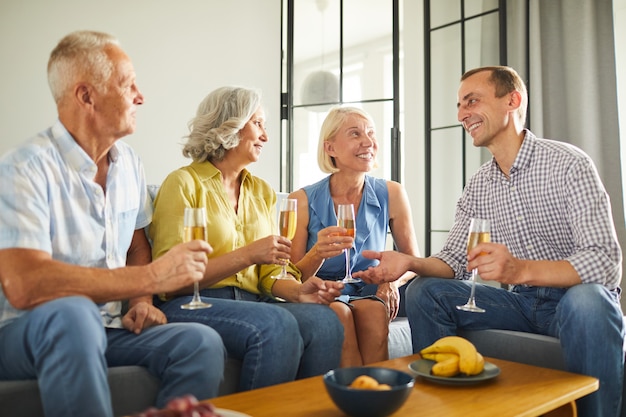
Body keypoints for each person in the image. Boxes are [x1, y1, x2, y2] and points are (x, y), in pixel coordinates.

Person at [353, 66, 624, 417]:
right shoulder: (479, 184)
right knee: (425, 290)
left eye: (472, 101)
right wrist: (410, 263)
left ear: (512, 100)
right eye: (459, 105)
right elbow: (453, 260)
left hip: (574, 302)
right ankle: (445, 409)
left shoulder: (568, 164)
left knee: (588, 301)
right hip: (521, 304)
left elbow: (605, 262)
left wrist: (520, 269)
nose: (462, 114)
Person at [0, 31, 227, 417]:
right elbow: (25, 285)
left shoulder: (129, 165)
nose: (141, 96)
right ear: (86, 96)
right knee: (74, 314)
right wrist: (151, 280)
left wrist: (140, 301)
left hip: (108, 328)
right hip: (28, 332)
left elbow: (138, 247)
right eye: (128, 85)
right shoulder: (23, 168)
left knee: (200, 342)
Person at [149, 86, 344, 390]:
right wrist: (248, 254)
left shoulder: (261, 191)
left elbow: (268, 274)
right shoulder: (183, 183)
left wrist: (298, 292)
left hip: (257, 302)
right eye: (258, 124)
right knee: (275, 325)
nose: (265, 136)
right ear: (230, 125)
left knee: (325, 322)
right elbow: (172, 279)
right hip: (193, 302)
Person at [289, 106, 419, 367]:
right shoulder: (301, 200)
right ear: (330, 148)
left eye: (371, 133)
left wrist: (391, 282)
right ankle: (352, 396)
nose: (368, 142)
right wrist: (317, 254)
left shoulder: (392, 193)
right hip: (324, 291)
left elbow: (413, 262)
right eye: (355, 134)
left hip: (371, 289)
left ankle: (378, 394)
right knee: (340, 314)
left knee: (373, 311)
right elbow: (292, 276)